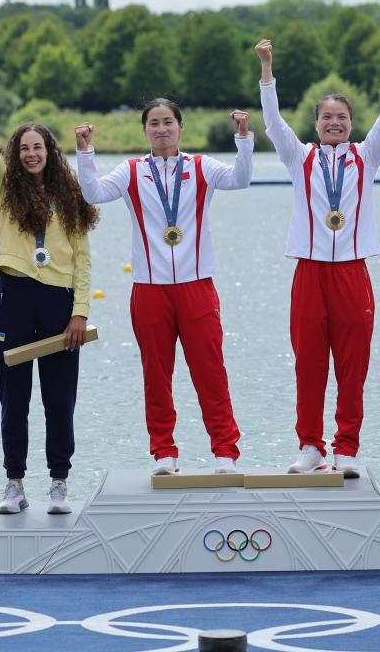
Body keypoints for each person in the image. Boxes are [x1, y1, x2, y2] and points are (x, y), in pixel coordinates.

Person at [74, 101, 252, 476]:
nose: (161, 129)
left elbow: (240, 179)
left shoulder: (201, 166)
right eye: (153, 123)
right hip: (150, 289)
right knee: (156, 376)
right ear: (145, 130)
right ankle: (164, 453)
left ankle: (225, 452)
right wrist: (86, 153)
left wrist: (242, 138)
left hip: (196, 286)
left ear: (180, 127)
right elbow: (93, 193)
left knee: (210, 372)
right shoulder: (132, 171)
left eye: (167, 122)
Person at [256, 34, 380, 478]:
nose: (334, 123)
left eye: (341, 117)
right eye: (327, 117)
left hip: (352, 273)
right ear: (316, 123)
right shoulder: (298, 157)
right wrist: (267, 68)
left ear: (352, 124)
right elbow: (272, 123)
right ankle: (309, 446)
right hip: (309, 272)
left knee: (352, 366)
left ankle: (347, 449)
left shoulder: (367, 156)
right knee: (309, 365)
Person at [0, 52, 98, 514]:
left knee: (59, 401)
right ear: (15, 156)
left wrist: (80, 312)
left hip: (59, 304)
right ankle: (15, 484)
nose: (31, 154)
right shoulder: (3, 189)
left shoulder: (69, 195)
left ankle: (59, 483)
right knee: (13, 400)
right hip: (13, 298)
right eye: (24, 149)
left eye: (38, 147)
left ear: (50, 152)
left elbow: (83, 259)